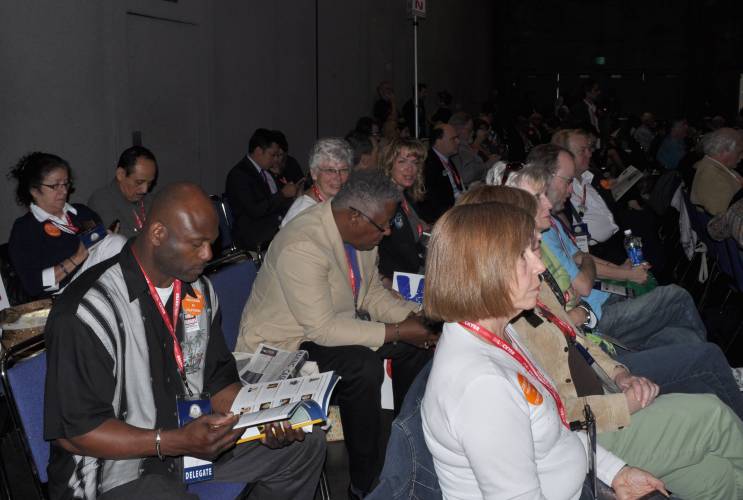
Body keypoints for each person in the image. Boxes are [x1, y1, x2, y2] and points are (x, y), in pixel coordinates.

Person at [44, 183, 326, 499]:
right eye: (197, 244)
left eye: (211, 242)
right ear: (158, 234)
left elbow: (218, 382)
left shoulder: (199, 292)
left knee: (305, 445)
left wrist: (264, 419)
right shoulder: (86, 312)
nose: (208, 254)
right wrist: (175, 441)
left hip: (190, 444)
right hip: (113, 472)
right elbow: (76, 433)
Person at [459, 185, 743, 499]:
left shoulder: (527, 295)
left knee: (716, 477)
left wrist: (620, 374)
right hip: (591, 436)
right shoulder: (492, 353)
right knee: (712, 414)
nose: (540, 264)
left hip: (599, 405)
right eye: (529, 250)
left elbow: (579, 341)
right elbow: (556, 422)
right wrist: (621, 407)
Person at [421, 202, 666, 499]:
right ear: (486, 272)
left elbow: (554, 426)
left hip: (586, 475)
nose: (540, 267)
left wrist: (615, 472)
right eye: (523, 257)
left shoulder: (500, 332)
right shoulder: (482, 386)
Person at [236, 170, 434, 497]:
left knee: (414, 346)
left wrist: (419, 321)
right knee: (362, 366)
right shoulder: (303, 243)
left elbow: (371, 295)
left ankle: (405, 444)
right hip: (283, 348)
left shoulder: (362, 235)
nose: (387, 232)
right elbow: (323, 329)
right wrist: (400, 329)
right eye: (383, 225)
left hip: (325, 331)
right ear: (355, 216)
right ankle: (364, 484)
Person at [528, 144, 707, 351]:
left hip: (602, 298)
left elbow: (580, 256)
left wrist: (618, 269)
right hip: (597, 317)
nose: (570, 188)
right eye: (567, 181)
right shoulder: (542, 230)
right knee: (677, 296)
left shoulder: (551, 220)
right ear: (545, 177)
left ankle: (709, 363)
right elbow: (583, 282)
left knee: (683, 337)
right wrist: (604, 266)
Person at [8, 152, 126, 299]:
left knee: (118, 243)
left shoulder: (82, 212)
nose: (64, 191)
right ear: (34, 190)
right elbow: (33, 285)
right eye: (55, 186)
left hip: (99, 281)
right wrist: (77, 257)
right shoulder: (25, 228)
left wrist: (104, 238)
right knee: (116, 244)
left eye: (65, 184)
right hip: (63, 296)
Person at [225, 128, 300, 251]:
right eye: (272, 155)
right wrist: (282, 194)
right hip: (253, 233)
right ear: (259, 151)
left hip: (271, 224)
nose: (275, 160)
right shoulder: (239, 175)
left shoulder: (266, 172)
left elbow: (276, 203)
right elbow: (255, 210)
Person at [377, 138, 430, 281]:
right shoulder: (382, 200)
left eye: (415, 162)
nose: (410, 168)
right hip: (396, 280)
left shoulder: (406, 197)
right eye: (402, 162)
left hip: (414, 272)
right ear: (389, 165)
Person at [88, 146, 158, 238]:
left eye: (149, 183)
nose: (145, 190)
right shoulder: (101, 201)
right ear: (120, 174)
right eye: (139, 182)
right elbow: (123, 242)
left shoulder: (153, 200)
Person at [281, 137, 352, 226]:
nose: (338, 177)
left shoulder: (338, 200)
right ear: (314, 173)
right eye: (330, 170)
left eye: (343, 170)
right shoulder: (304, 211)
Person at [416, 124, 463, 223]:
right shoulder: (428, 163)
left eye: (457, 138)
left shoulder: (446, 159)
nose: (458, 141)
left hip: (457, 206)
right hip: (445, 215)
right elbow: (431, 200)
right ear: (439, 141)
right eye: (453, 139)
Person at [690, 127, 743, 215]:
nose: (742, 156)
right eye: (739, 152)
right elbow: (720, 219)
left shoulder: (707, 163)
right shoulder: (715, 180)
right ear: (724, 151)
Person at [449, 112, 488, 187]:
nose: (472, 132)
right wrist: (486, 165)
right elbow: (465, 177)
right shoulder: (456, 148)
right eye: (469, 130)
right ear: (459, 129)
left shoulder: (465, 146)